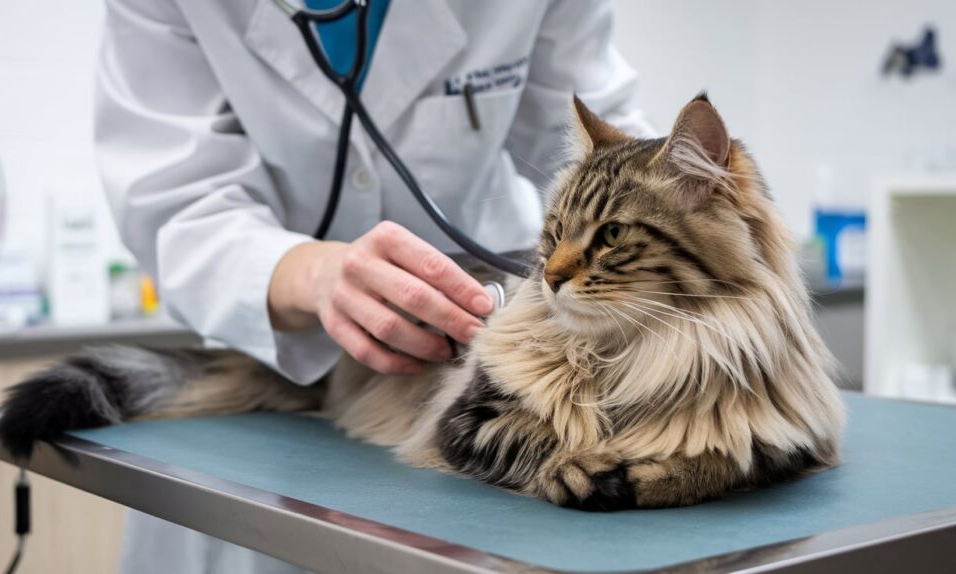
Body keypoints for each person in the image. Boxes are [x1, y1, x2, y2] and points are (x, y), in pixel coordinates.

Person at [96, 0, 650, 571]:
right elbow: (174, 199)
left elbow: (611, 149)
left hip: (481, 333)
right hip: (277, 358)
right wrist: (308, 273)